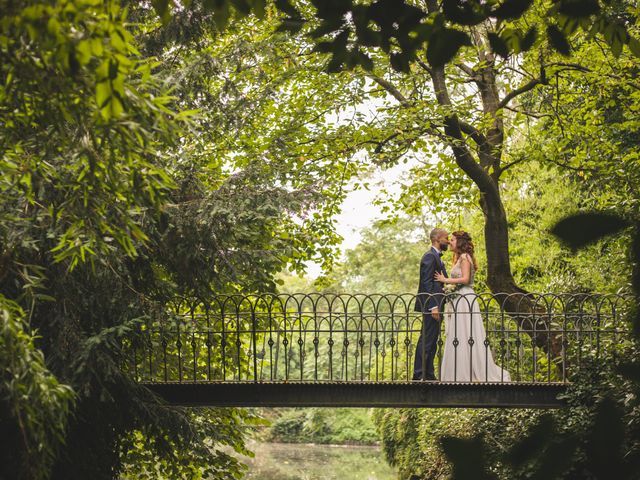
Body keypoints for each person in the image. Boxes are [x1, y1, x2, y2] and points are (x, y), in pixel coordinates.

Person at [435, 231, 511, 382]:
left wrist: (445, 280)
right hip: (459, 298)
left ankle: (470, 372)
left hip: (465, 298)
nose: (450, 242)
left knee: (466, 333)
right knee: (461, 334)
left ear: (460, 242)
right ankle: (462, 371)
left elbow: (465, 278)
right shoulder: (459, 258)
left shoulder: (464, 257)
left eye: (453, 239)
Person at [412, 228, 449, 381]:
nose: (447, 241)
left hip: (437, 305)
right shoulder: (429, 256)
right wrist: (433, 306)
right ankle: (419, 374)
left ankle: (429, 374)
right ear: (437, 239)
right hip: (431, 306)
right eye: (446, 238)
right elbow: (426, 282)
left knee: (432, 340)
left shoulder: (437, 257)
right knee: (427, 339)